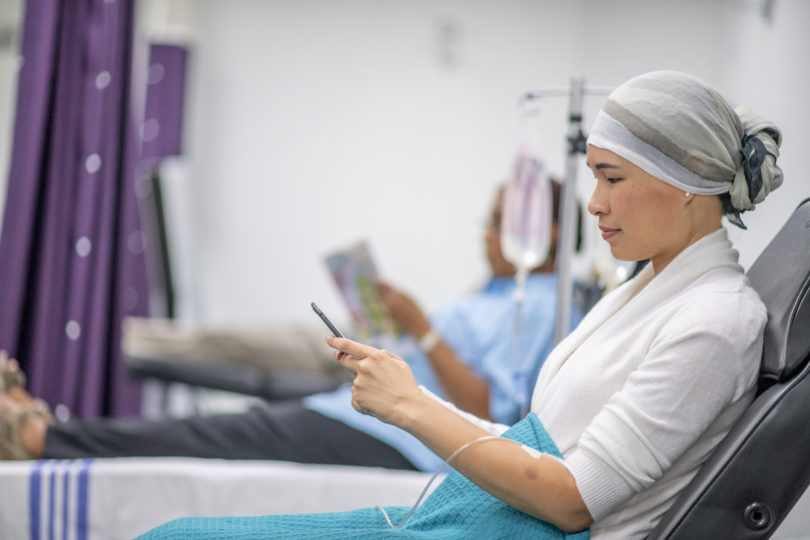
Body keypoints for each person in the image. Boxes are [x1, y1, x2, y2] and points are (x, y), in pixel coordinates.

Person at [138, 70, 783, 539]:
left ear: (690, 181)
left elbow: (572, 501)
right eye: (595, 177)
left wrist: (411, 407)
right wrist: (405, 394)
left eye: (612, 177)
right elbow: (537, 450)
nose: (595, 203)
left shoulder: (716, 320)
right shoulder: (648, 293)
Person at [0, 181, 580, 473]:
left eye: (501, 222)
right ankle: (56, 435)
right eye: (490, 220)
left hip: (403, 440)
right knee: (227, 428)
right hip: (367, 409)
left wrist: (421, 328)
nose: (485, 233)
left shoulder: (549, 308)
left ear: (550, 232)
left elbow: (497, 414)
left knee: (218, 437)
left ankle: (40, 440)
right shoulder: (506, 293)